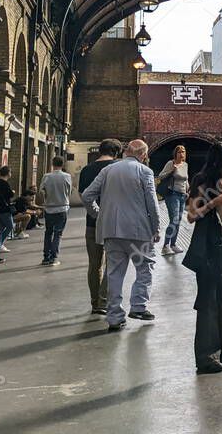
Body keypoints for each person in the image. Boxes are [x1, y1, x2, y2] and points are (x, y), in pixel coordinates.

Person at [81, 139, 159, 331]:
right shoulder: (145, 171)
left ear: (126, 152)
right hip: (138, 231)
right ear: (143, 155)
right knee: (145, 268)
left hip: (111, 231)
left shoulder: (108, 170)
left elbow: (87, 195)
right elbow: (152, 203)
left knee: (114, 273)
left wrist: (99, 215)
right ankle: (139, 306)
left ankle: (115, 318)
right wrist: (156, 228)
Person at [183, 140, 222, 374]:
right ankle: (206, 356)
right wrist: (216, 201)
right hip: (210, 245)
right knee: (209, 298)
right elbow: (191, 215)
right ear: (215, 163)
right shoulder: (202, 181)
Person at [79, 139, 121, 315]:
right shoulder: (117, 169)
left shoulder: (87, 169)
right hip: (113, 224)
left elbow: (83, 195)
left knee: (94, 264)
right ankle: (104, 301)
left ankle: (95, 303)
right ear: (116, 153)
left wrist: (96, 214)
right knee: (113, 264)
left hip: (91, 223)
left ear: (99, 151)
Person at [39, 156, 72, 266]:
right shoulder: (67, 176)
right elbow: (69, 192)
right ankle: (54, 257)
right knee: (58, 234)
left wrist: (47, 197)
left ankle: (45, 257)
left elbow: (41, 191)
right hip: (62, 208)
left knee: (48, 233)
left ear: (52, 164)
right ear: (62, 165)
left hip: (49, 208)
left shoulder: (46, 176)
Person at [159, 144, 190, 256]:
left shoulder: (185, 165)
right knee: (174, 220)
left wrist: (187, 191)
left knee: (179, 221)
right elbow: (161, 176)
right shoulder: (170, 163)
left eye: (183, 151)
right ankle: (165, 246)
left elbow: (186, 180)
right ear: (175, 153)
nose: (182, 154)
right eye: (179, 152)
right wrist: (172, 170)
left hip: (182, 195)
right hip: (172, 194)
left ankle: (173, 244)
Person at [0, 166, 15, 253]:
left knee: (1, 227)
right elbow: (9, 194)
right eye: (10, 172)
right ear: (7, 173)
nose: (11, 174)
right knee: (10, 226)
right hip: (4, 209)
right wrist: (12, 192)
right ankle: (0, 243)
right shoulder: (4, 183)